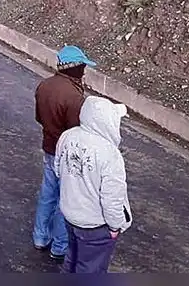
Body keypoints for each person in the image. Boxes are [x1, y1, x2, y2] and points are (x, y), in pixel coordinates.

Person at [54, 96, 132, 274]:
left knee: (71, 261)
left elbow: (58, 170)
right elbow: (112, 198)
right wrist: (114, 227)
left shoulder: (67, 136)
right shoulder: (110, 153)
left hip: (70, 215)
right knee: (90, 270)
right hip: (95, 225)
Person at [32, 45, 93, 263]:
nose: (85, 71)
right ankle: (59, 246)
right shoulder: (74, 97)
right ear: (75, 68)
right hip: (66, 154)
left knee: (47, 193)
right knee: (64, 199)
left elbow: (39, 117)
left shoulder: (44, 85)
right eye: (83, 66)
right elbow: (77, 130)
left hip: (48, 147)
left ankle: (40, 237)